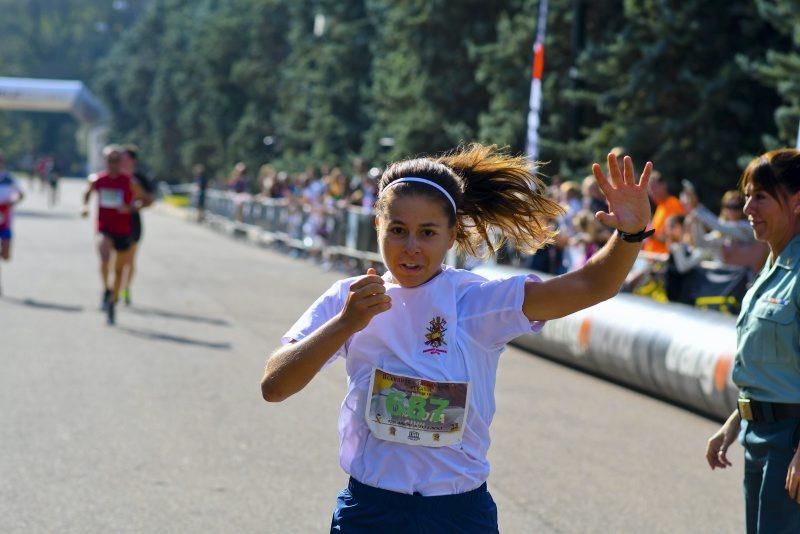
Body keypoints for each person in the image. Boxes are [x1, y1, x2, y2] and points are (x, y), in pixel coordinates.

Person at [261, 144, 653, 533]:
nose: (411, 247)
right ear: (378, 227)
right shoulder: (351, 299)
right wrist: (346, 324)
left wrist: (631, 233)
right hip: (371, 511)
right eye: (398, 231)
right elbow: (275, 385)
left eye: (427, 233)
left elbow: (591, 284)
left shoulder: (476, 302)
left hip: (458, 515)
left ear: (451, 237)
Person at [705, 148, 800, 533]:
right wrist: (734, 423)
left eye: (760, 196)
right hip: (759, 436)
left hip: (790, 443)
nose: (747, 208)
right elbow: (777, 366)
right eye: (746, 196)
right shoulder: (772, 268)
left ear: (797, 202)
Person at [81, 145, 145, 325]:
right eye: (109, 160)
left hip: (124, 230)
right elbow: (87, 192)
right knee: (104, 258)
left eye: (116, 160)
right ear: (105, 161)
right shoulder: (98, 180)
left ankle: (112, 301)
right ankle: (106, 290)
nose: (113, 164)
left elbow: (143, 200)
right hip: (104, 227)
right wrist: (85, 206)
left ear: (121, 162)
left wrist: (130, 207)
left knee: (118, 271)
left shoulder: (129, 181)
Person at [119, 145, 155, 306]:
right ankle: (115, 288)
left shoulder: (139, 179)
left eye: (125, 158)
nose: (121, 161)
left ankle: (126, 288)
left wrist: (135, 206)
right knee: (116, 258)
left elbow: (150, 200)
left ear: (132, 160)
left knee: (130, 260)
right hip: (115, 221)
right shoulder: (115, 176)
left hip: (133, 221)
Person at [642, 170, 684, 255]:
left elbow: (677, 237)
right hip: (651, 257)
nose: (652, 192)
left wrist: (651, 235)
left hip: (663, 259)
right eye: (650, 189)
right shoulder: (660, 207)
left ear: (664, 185)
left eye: (654, 187)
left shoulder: (674, 204)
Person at [0, 153, 25, 296]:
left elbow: (21, 194)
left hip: (6, 222)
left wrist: (13, 201)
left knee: (6, 256)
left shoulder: (9, 179)